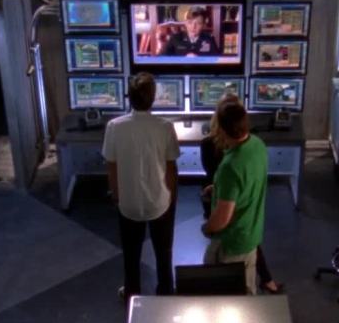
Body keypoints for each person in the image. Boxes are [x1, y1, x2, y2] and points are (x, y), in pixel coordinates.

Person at [102, 72, 180, 301]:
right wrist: (170, 197)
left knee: (131, 254)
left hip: (128, 204)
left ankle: (132, 293)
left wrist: (117, 196)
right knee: (164, 253)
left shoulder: (114, 126)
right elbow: (171, 167)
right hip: (160, 203)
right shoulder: (165, 127)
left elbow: (112, 166)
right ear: (153, 98)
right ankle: (165, 292)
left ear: (128, 97)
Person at [200, 95, 284, 294]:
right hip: (251, 235)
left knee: (232, 298)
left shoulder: (230, 166)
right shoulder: (258, 145)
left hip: (232, 244)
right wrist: (219, 188)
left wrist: (207, 228)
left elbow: (222, 219)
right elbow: (247, 183)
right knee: (247, 287)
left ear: (221, 128)